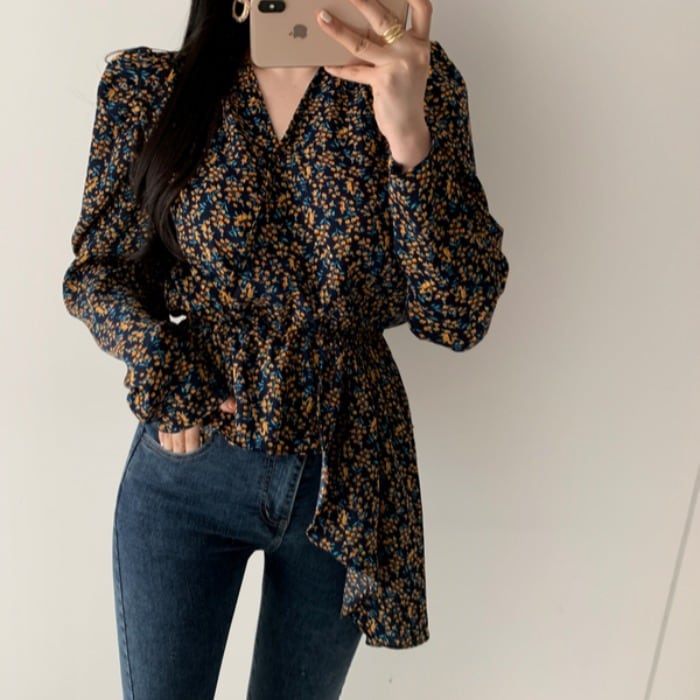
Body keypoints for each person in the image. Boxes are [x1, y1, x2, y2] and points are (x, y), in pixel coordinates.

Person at [61, 0, 509, 697]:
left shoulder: (420, 83)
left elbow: (460, 315)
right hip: (190, 467)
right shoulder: (152, 89)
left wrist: (409, 136)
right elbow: (98, 272)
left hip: (345, 470)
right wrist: (163, 365)